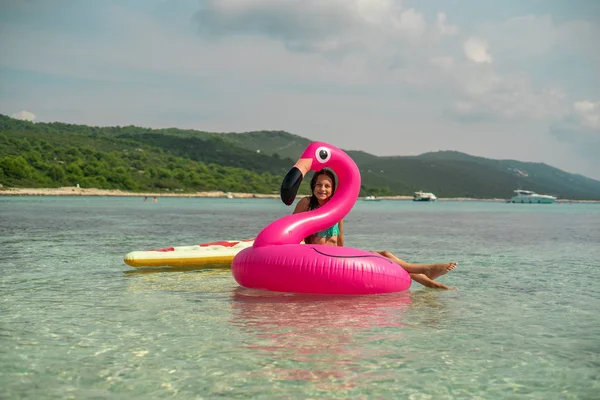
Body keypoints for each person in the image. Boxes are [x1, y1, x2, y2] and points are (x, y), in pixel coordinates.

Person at [293, 169, 458, 290]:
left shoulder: (337, 208)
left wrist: (345, 257)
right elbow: (291, 229)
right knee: (383, 257)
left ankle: (433, 284)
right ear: (313, 187)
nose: (322, 189)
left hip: (337, 259)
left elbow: (340, 237)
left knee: (385, 254)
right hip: (317, 260)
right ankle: (426, 270)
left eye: (327, 186)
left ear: (333, 189)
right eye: (319, 185)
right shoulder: (307, 204)